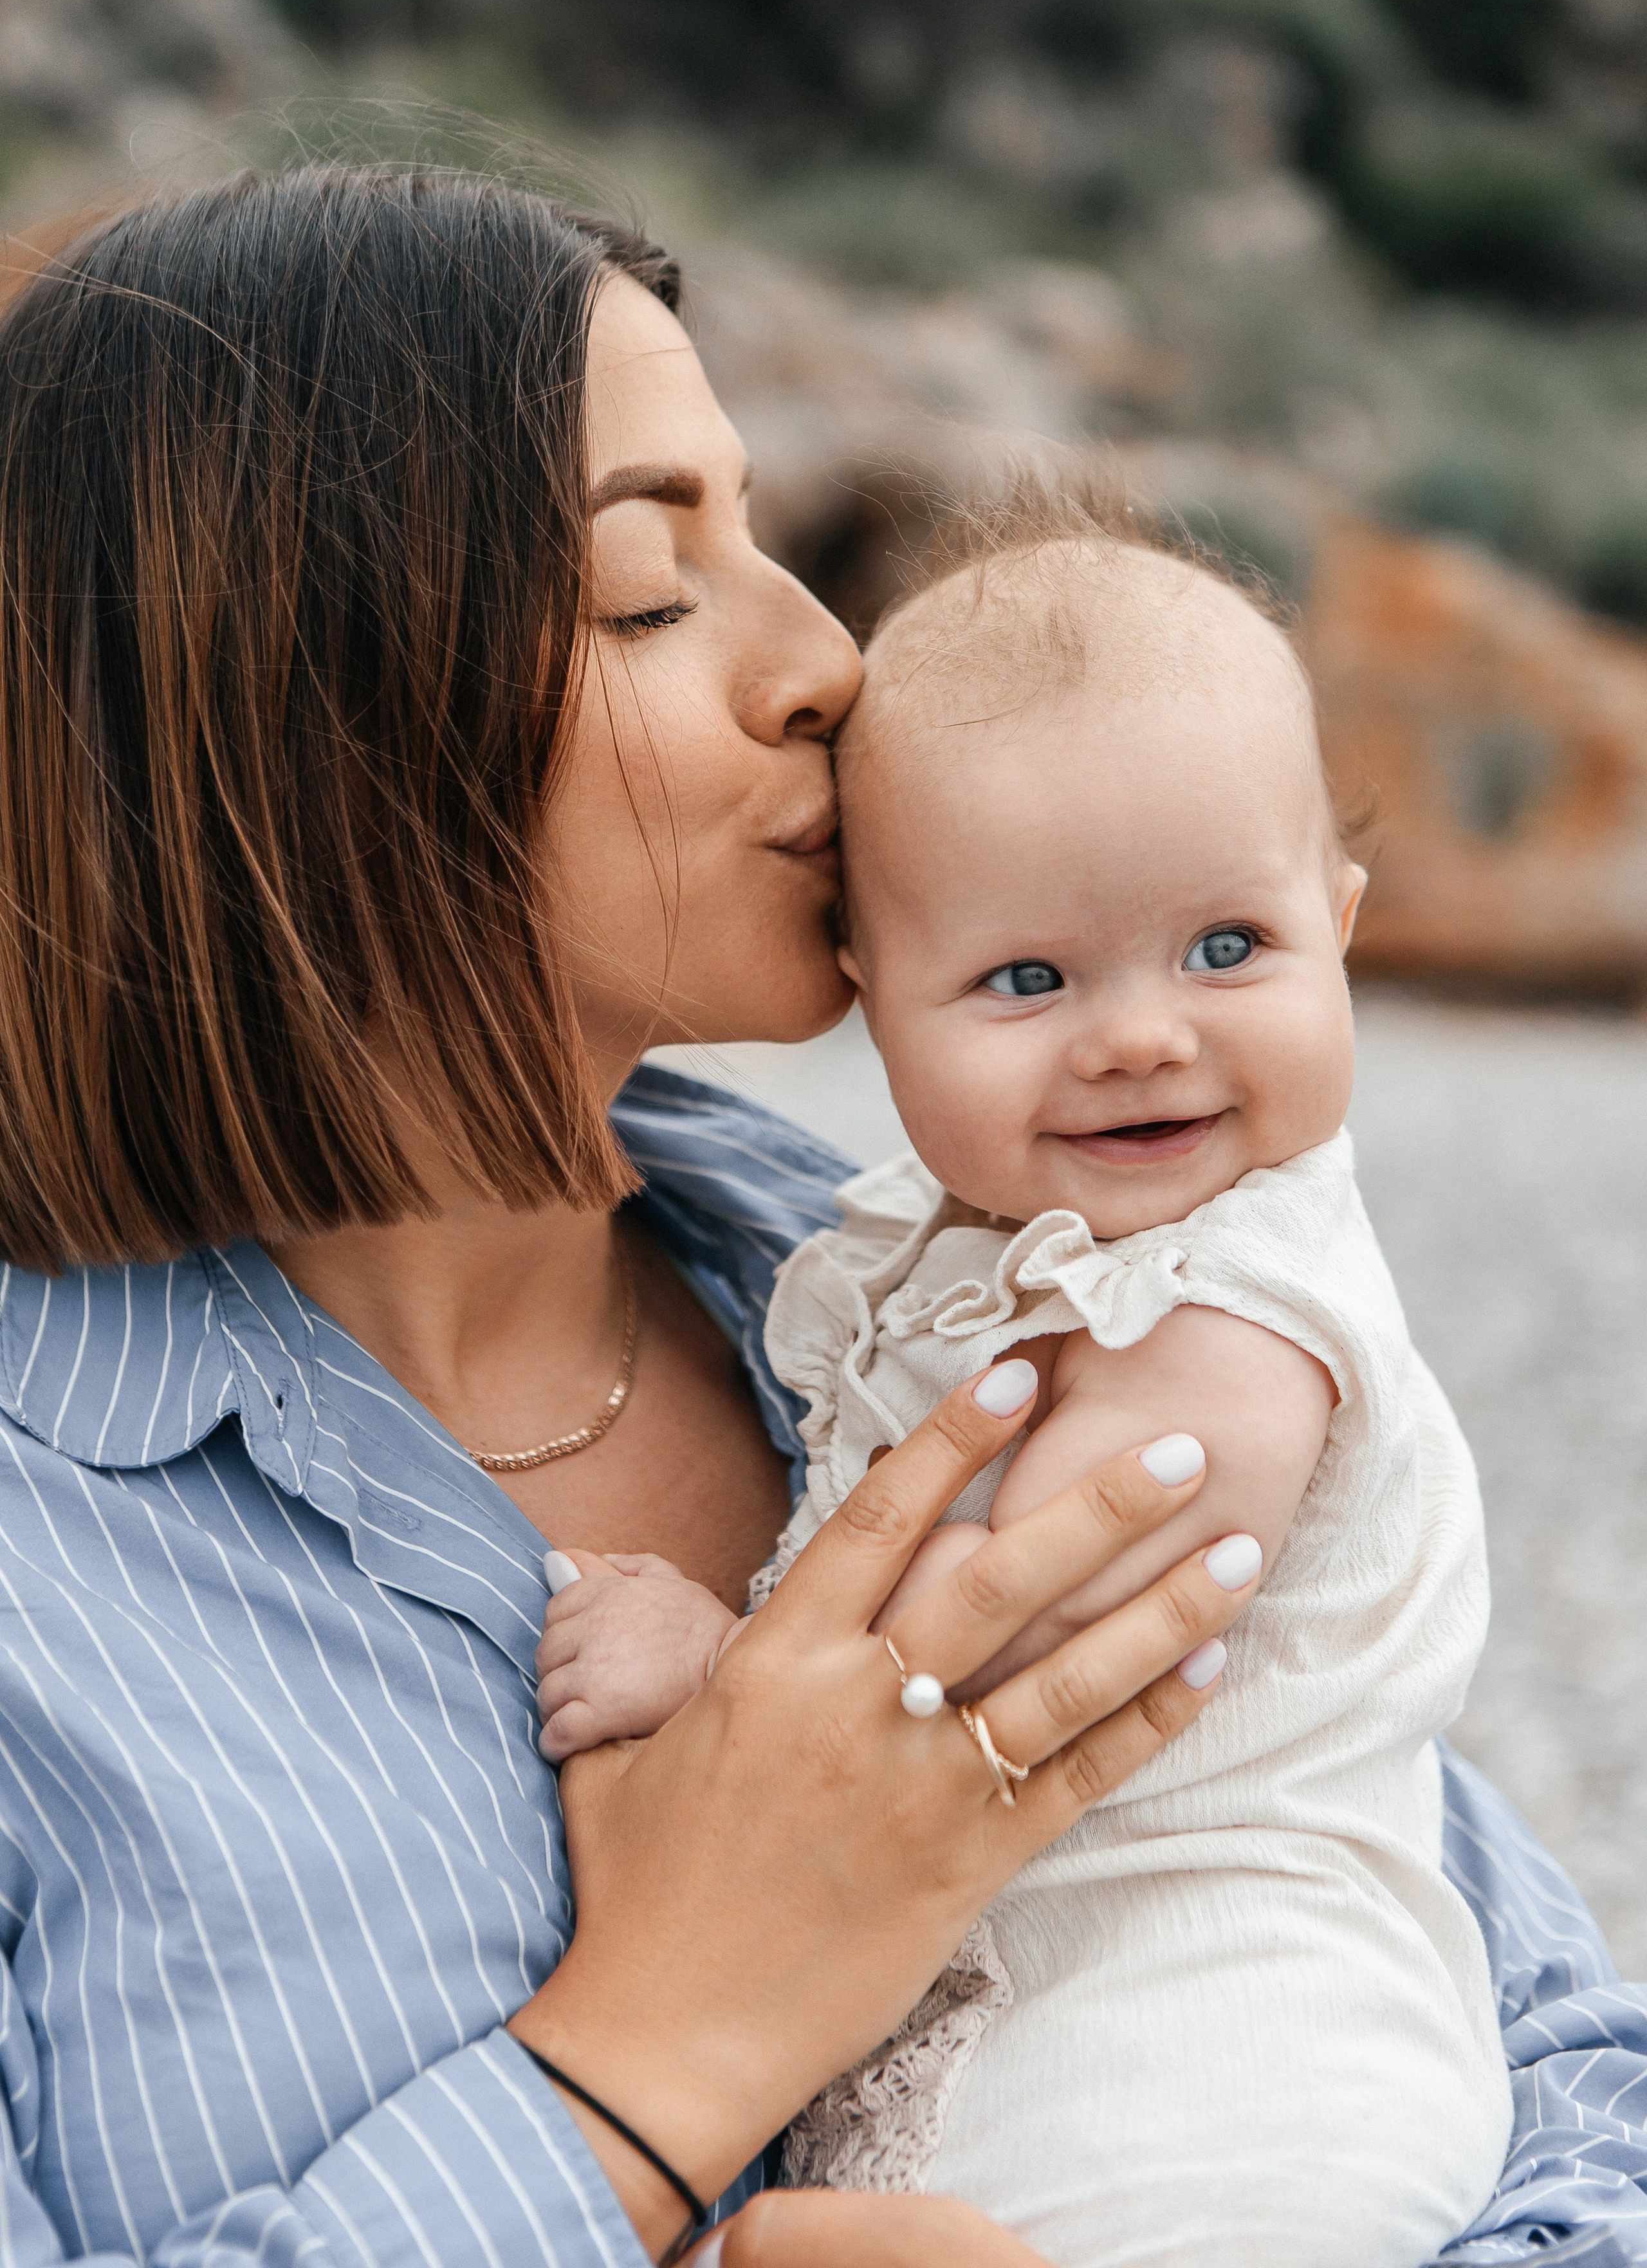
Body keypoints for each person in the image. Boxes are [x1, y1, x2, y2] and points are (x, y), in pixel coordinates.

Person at [0, 164, 1640, 2268]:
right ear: (283, 720)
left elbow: (1551, 2045)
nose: (828, 667)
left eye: (765, 541)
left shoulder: (950, 1279)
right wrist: (643, 2066)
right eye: (651, 594)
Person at [535, 506, 1512, 2265]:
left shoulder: (1235, 1307)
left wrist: (717, 1677)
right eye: (1027, 979)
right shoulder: (992, 1248)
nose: (1140, 1034)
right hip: (1068, 2027)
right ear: (870, 998)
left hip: (1229, 2068)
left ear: (1343, 926)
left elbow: (1038, 1615)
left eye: (1229, 948)